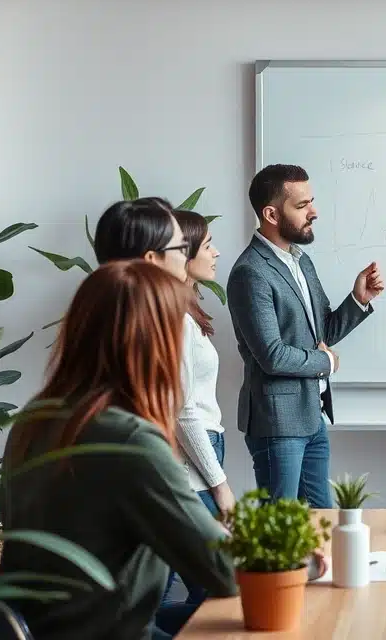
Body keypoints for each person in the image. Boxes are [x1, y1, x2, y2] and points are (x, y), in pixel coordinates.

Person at [0, 261, 237, 640]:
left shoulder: (35, 417)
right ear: (152, 342)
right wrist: (302, 562)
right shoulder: (129, 440)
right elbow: (223, 570)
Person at [227, 163, 384, 508]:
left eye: (311, 202)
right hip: (277, 423)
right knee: (282, 528)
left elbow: (321, 331)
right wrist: (326, 362)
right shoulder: (249, 273)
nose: (314, 212)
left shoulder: (301, 262)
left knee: (321, 522)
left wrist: (358, 299)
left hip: (311, 415)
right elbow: (272, 355)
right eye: (301, 206)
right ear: (270, 213)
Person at [155, 210, 236, 632]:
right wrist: (219, 484)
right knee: (221, 594)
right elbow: (183, 411)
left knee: (213, 591)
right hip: (191, 457)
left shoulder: (187, 311)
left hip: (200, 451)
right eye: (207, 246)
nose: (216, 252)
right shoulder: (175, 319)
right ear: (182, 254)